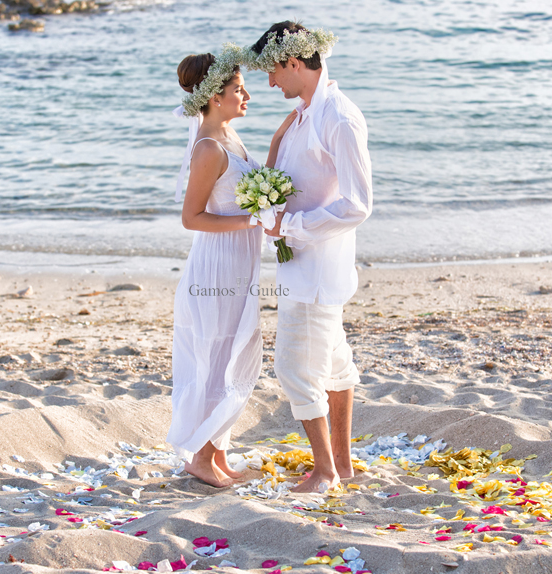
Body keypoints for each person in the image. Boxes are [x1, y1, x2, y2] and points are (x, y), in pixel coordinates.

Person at [249, 22, 373, 493]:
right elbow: (284, 185)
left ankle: (323, 473)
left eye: (272, 72)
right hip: (300, 264)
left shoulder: (337, 117)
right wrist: (278, 142)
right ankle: (340, 465)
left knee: (294, 368)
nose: (269, 83)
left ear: (294, 64)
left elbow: (358, 204)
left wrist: (291, 229)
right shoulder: (305, 115)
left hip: (317, 267)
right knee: (335, 362)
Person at [166, 46, 293, 487]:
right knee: (218, 355)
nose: (248, 96)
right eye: (239, 89)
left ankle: (216, 455)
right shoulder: (207, 148)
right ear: (215, 96)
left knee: (235, 350)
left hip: (239, 261)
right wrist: (251, 218)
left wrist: (277, 143)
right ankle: (201, 458)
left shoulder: (229, 138)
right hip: (217, 266)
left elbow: (252, 184)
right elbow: (191, 218)